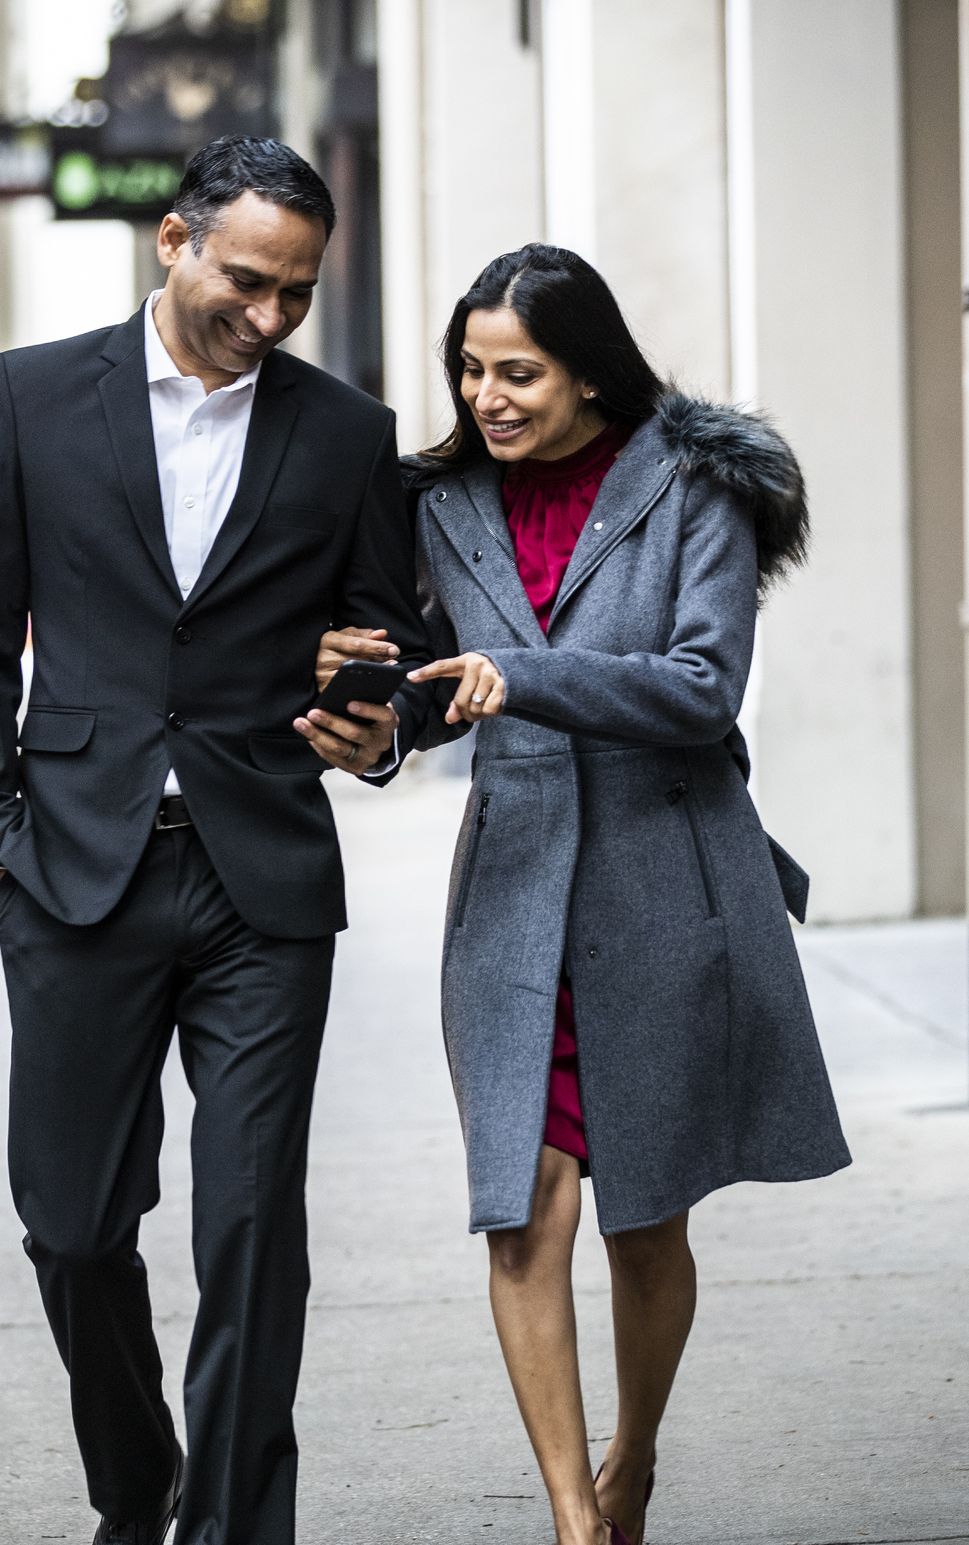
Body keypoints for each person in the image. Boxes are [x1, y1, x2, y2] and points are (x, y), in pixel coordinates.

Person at [0, 137, 435, 1545]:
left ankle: (230, 1527)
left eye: (298, 293)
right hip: (73, 869)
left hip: (259, 876)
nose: (268, 317)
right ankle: (137, 1477)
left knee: (253, 1223)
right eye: (248, 281)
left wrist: (378, 719)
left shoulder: (344, 433)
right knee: (75, 1227)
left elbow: (391, 645)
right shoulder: (32, 398)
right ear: (173, 241)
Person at [321, 244, 850, 1545]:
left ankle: (635, 1454)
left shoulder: (693, 485)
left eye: (518, 372)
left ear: (589, 373)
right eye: (470, 370)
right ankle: (573, 1519)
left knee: (644, 1217)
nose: (487, 396)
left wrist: (527, 672)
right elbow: (432, 690)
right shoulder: (439, 505)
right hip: (512, 901)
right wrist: (372, 732)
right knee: (524, 1208)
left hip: (662, 884)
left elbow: (700, 688)